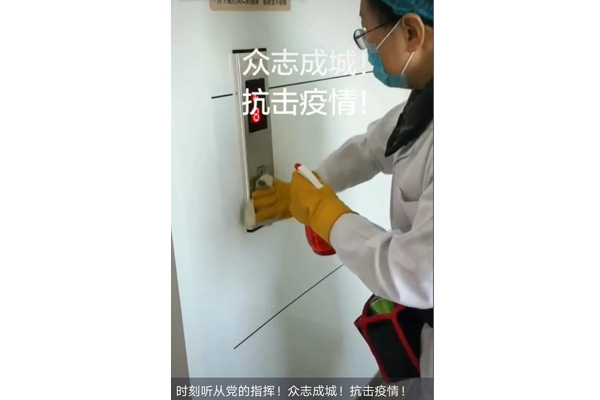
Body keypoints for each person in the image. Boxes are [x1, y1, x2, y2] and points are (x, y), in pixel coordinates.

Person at [251, 0, 434, 384]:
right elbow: (372, 147)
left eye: (369, 33)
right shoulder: (427, 101)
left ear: (412, 32)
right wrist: (311, 185)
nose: (369, 48)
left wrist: (328, 216)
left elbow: (417, 273)